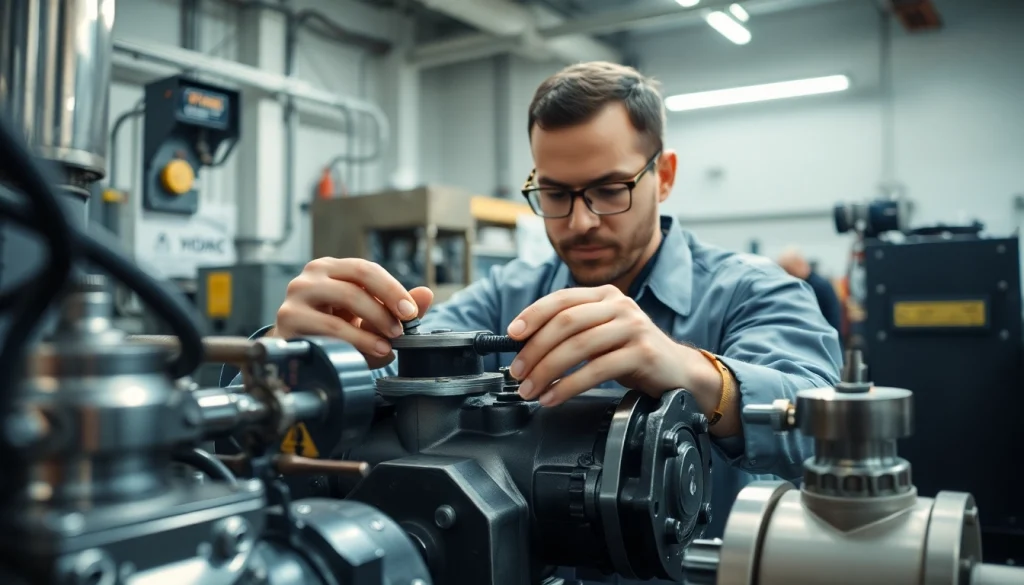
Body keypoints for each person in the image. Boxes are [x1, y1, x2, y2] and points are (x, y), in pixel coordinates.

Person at [234, 62, 842, 543]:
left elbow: (826, 433)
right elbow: (390, 377)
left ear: (666, 175)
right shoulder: (510, 297)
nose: (580, 222)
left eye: (609, 190)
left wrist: (690, 372)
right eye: (554, 193)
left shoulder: (754, 291)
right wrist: (301, 360)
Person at [777, 247, 843, 335]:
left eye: (788, 270)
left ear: (798, 264)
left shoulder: (816, 287)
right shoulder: (807, 285)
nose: (787, 275)